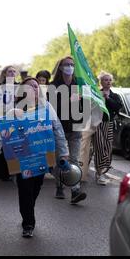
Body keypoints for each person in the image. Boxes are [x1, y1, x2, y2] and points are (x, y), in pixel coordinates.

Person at [9, 77, 69, 238]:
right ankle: (28, 223)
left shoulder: (46, 107)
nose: (33, 89)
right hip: (23, 157)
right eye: (29, 87)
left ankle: (27, 211)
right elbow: (6, 132)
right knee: (25, 189)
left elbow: (57, 129)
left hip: (42, 155)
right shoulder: (15, 109)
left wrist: (63, 151)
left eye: (36, 87)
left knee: (36, 187)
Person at [48, 56, 87, 204]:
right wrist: (67, 101)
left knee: (74, 159)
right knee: (61, 160)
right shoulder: (53, 86)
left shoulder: (79, 85)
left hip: (76, 127)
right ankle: (59, 186)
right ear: (60, 67)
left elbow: (85, 105)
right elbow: (51, 108)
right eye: (66, 64)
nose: (70, 66)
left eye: (72, 64)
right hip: (59, 128)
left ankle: (75, 190)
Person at [92, 72, 123, 185]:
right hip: (98, 124)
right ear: (101, 82)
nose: (108, 82)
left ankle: (104, 170)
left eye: (110, 80)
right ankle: (99, 173)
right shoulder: (96, 93)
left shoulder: (115, 96)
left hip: (109, 124)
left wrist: (108, 98)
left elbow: (117, 107)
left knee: (108, 148)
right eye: (105, 80)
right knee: (100, 147)